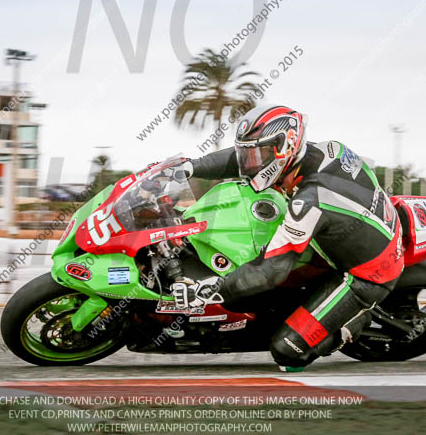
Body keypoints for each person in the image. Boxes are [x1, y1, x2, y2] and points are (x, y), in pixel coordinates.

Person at [171, 105, 404, 371]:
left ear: (286, 146)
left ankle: (354, 323)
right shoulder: (323, 150)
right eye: (248, 154)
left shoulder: (309, 202)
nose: (249, 164)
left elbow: (270, 270)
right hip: (344, 235)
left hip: (365, 275)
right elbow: (238, 160)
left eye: (258, 155)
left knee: (287, 353)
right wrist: (191, 166)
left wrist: (211, 290)